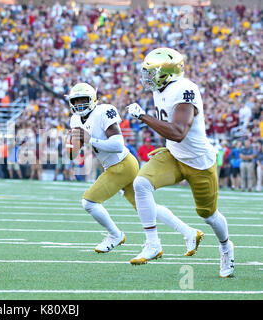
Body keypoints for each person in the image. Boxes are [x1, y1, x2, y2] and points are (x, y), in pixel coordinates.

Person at [126, 48, 234, 277]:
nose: (147, 77)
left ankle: (225, 247)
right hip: (174, 155)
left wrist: (143, 117)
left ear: (168, 73)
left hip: (198, 162)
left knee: (208, 215)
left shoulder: (185, 89)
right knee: (141, 184)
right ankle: (153, 244)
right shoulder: (161, 88)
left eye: (152, 72)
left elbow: (177, 132)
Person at [67, 82, 202, 254]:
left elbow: (117, 144)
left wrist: (89, 140)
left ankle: (115, 235)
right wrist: (71, 142)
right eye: (76, 101)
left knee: (89, 202)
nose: (80, 105)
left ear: (92, 99)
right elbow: (72, 154)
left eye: (83, 100)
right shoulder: (75, 120)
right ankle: (189, 233)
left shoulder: (103, 111)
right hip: (117, 165)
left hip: (121, 165)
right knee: (146, 206)